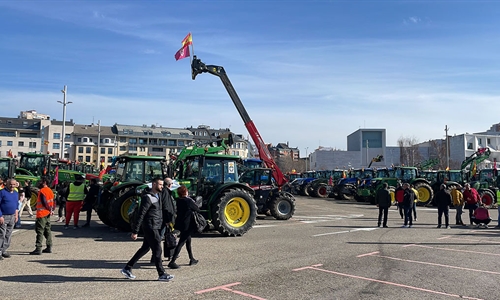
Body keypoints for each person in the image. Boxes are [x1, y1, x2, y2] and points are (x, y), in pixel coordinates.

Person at [120, 177, 174, 281]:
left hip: (156, 226)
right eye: (160, 185)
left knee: (145, 248)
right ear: (154, 184)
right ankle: (161, 274)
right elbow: (141, 214)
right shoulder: (148, 197)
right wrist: (135, 231)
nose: (162, 187)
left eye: (163, 185)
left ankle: (127, 268)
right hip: (150, 226)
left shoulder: (158, 196)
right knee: (158, 250)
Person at [168, 185, 200, 269]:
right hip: (187, 224)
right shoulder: (188, 201)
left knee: (188, 241)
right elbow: (197, 209)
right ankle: (172, 261)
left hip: (180, 223)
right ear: (186, 192)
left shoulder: (179, 201)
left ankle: (191, 258)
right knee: (181, 242)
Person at [29, 176, 55, 255]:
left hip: (42, 213)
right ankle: (49, 246)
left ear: (44, 182)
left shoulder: (42, 191)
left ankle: (38, 248)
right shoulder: (50, 190)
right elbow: (53, 201)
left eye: (41, 181)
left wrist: (48, 209)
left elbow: (44, 202)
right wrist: (52, 209)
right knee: (47, 230)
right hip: (47, 213)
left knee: (40, 231)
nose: (40, 182)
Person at [0, 179, 19, 259]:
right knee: (2, 234)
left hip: (12, 216)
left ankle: (4, 250)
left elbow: (16, 205)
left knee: (8, 234)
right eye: (10, 184)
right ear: (7, 184)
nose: (12, 186)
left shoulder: (15, 193)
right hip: (3, 216)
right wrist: (0, 216)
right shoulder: (2, 192)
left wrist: (16, 215)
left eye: (14, 184)